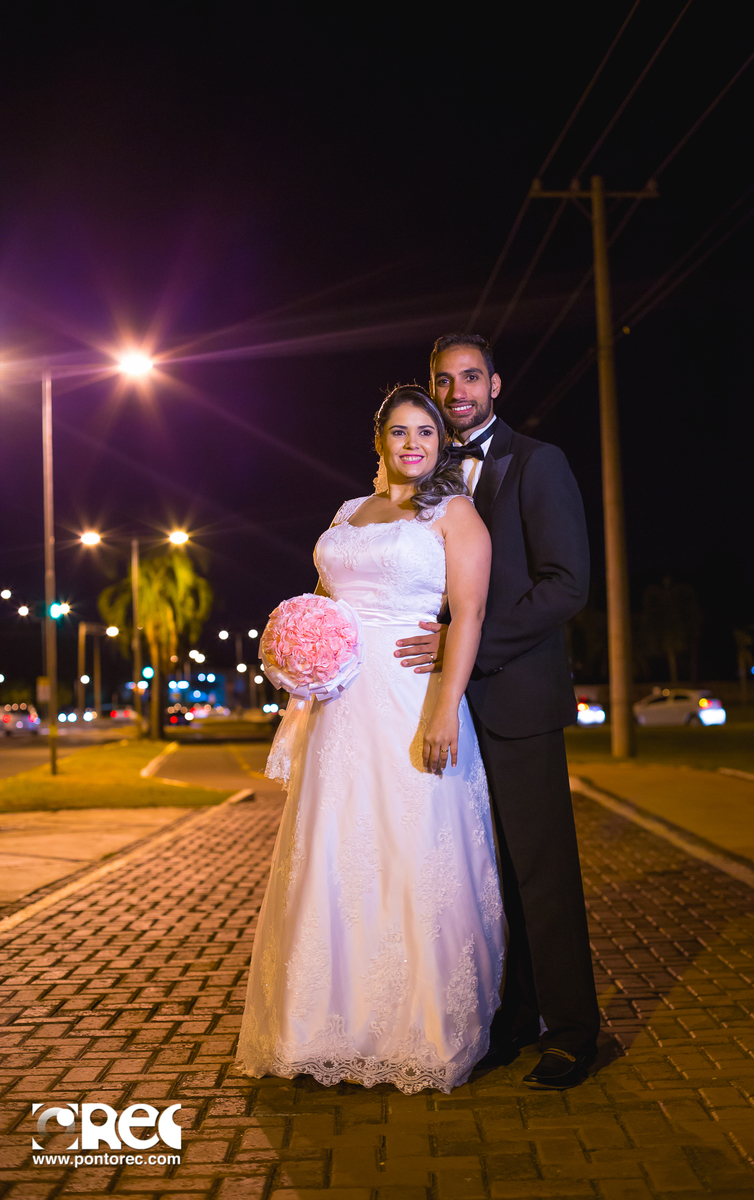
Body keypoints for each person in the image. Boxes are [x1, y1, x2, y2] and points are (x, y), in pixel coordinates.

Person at [236, 385, 505, 1094]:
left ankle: (413, 1028)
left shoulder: (456, 514)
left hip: (412, 696)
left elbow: (469, 617)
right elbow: (326, 602)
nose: (413, 443)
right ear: (379, 440)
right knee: (333, 846)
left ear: (441, 443)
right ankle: (322, 1026)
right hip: (340, 706)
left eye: (426, 432)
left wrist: (446, 707)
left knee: (411, 845)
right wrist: (301, 654)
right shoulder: (348, 514)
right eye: (399, 432)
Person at [395, 333, 599, 1089]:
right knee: (481, 874)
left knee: (541, 872)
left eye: (470, 378)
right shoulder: (424, 476)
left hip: (516, 696)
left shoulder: (537, 464)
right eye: (443, 381)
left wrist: (462, 647)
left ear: (496, 385)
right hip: (442, 709)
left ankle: (575, 1032)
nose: (456, 394)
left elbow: (566, 584)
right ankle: (510, 1022)